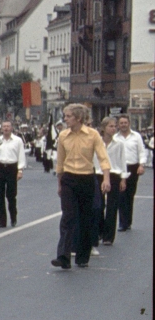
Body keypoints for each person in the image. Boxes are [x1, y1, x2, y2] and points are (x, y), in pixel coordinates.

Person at [52, 104, 110, 270]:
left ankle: (82, 256)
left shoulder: (92, 135)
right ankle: (63, 255)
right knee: (68, 217)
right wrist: (60, 184)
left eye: (68, 116)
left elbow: (103, 157)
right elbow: (60, 162)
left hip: (86, 178)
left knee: (85, 217)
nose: (65, 119)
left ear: (78, 118)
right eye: (65, 116)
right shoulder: (63, 136)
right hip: (69, 178)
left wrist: (106, 179)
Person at [97, 117, 128, 246]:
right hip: (99, 174)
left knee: (112, 205)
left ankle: (108, 236)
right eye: (111, 126)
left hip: (114, 174)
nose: (114, 128)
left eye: (115, 126)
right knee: (98, 206)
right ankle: (99, 231)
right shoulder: (97, 142)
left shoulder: (119, 143)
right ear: (103, 128)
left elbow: (122, 161)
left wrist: (123, 179)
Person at [0, 121, 26, 229]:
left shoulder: (17, 140)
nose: (6, 128)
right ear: (1, 129)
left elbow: (21, 155)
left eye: (8, 126)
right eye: (4, 127)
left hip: (12, 167)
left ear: (12, 128)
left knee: (11, 195)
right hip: (0, 167)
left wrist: (20, 170)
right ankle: (1, 221)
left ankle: (13, 217)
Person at [115, 115, 147, 232]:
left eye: (125, 123)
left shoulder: (136, 136)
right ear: (118, 125)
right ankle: (122, 222)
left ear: (129, 124)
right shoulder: (115, 137)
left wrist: (141, 165)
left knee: (129, 194)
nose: (123, 125)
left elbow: (141, 151)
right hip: (120, 168)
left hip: (133, 167)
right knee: (121, 195)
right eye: (121, 123)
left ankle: (128, 221)